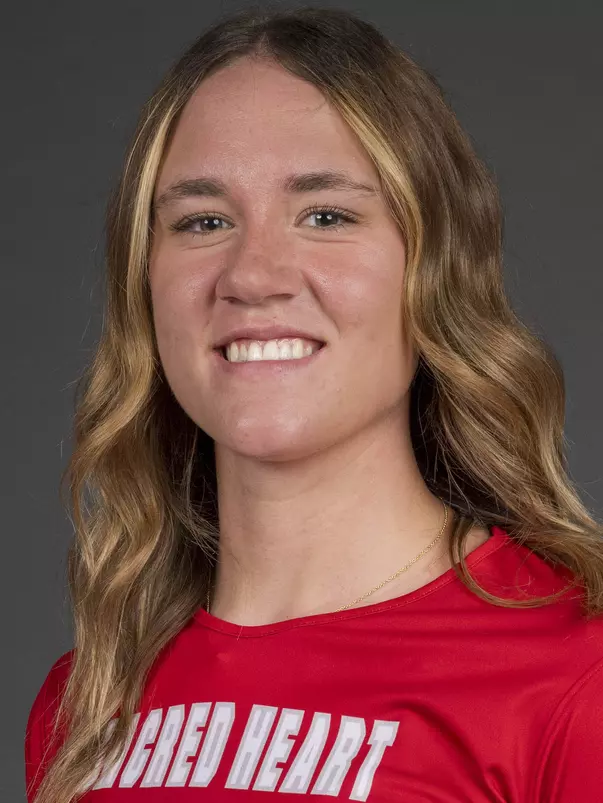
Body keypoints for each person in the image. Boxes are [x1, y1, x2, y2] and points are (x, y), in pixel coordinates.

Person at [24, 5, 603, 802]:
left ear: (431, 265)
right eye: (203, 220)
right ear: (145, 282)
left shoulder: (573, 676)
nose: (253, 274)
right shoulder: (85, 705)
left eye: (325, 215)